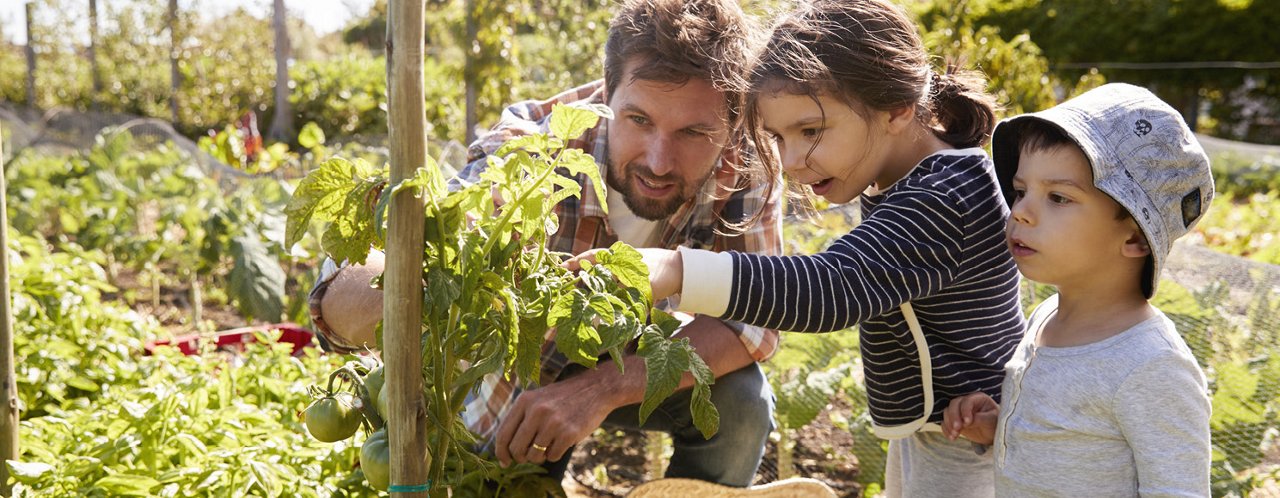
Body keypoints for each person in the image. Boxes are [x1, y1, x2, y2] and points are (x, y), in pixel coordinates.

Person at [309, 0, 783, 487]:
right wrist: (428, 276)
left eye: (694, 132)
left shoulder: (748, 164)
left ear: (732, 122)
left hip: (634, 353)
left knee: (741, 401)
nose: (659, 161)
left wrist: (599, 389)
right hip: (524, 377)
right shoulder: (534, 149)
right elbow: (346, 291)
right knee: (493, 478)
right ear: (606, 93)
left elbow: (754, 321)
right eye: (638, 120)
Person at [576, 0, 1027, 495]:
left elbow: (832, 287)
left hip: (975, 441)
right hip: (949, 429)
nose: (790, 162)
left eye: (810, 131)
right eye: (777, 137)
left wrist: (677, 270)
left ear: (896, 108)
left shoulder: (944, 198)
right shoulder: (914, 182)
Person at [941, 83, 1214, 496]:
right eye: (1020, 191)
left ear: (1136, 238)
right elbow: (1074, 452)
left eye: (1058, 197)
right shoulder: (1046, 317)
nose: (1021, 213)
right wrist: (998, 429)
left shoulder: (1151, 366)